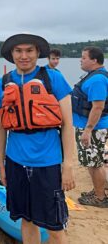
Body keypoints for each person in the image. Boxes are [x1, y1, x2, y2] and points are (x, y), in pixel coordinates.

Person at [0, 34, 75, 244]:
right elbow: (0, 129)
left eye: (29, 50)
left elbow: (67, 125)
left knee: (54, 226)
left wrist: (68, 165)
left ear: (38, 53)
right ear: (12, 55)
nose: (24, 56)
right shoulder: (2, 84)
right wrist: (1, 163)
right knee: (26, 220)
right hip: (16, 162)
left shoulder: (53, 78)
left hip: (48, 162)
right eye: (18, 51)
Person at [72, 46, 108, 207]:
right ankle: (98, 189)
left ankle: (100, 198)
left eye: (84, 57)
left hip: (93, 129)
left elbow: (98, 107)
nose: (81, 60)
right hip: (91, 127)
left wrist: (88, 130)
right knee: (91, 161)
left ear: (94, 60)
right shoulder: (94, 77)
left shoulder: (97, 80)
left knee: (94, 163)